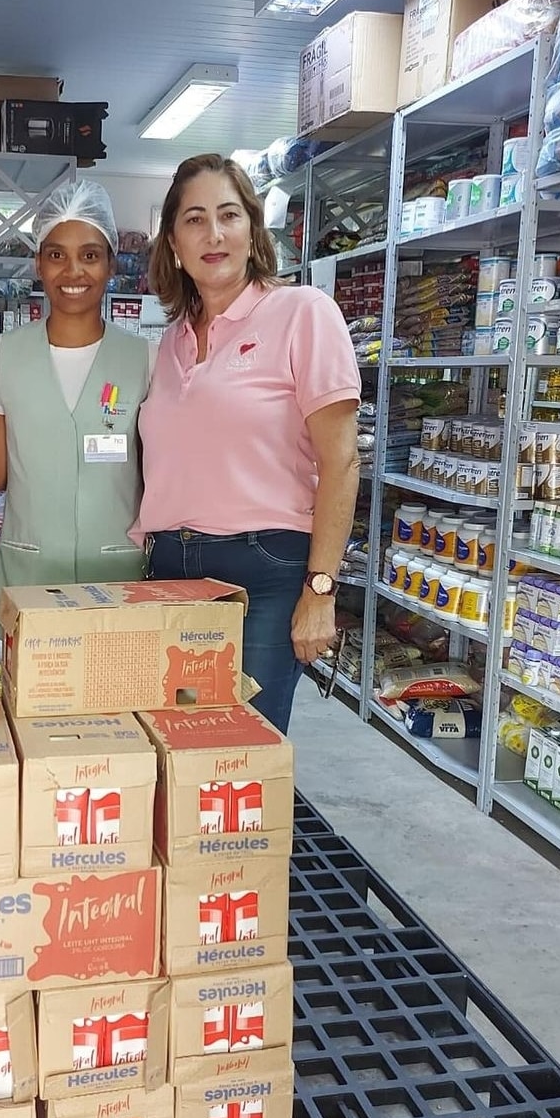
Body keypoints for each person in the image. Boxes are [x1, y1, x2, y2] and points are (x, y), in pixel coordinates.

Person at [132, 153, 360, 736]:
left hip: (265, 570)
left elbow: (341, 460)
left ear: (253, 229)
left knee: (240, 746)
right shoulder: (171, 343)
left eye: (229, 215)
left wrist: (321, 589)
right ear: (173, 243)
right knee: (180, 740)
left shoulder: (303, 313)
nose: (214, 234)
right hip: (171, 567)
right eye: (194, 219)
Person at [0, 180, 151, 633]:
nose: (74, 271)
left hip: (116, 576)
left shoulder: (145, 360)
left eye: (90, 255)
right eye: (56, 255)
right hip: (29, 576)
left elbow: (157, 474)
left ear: (111, 263)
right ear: (38, 262)